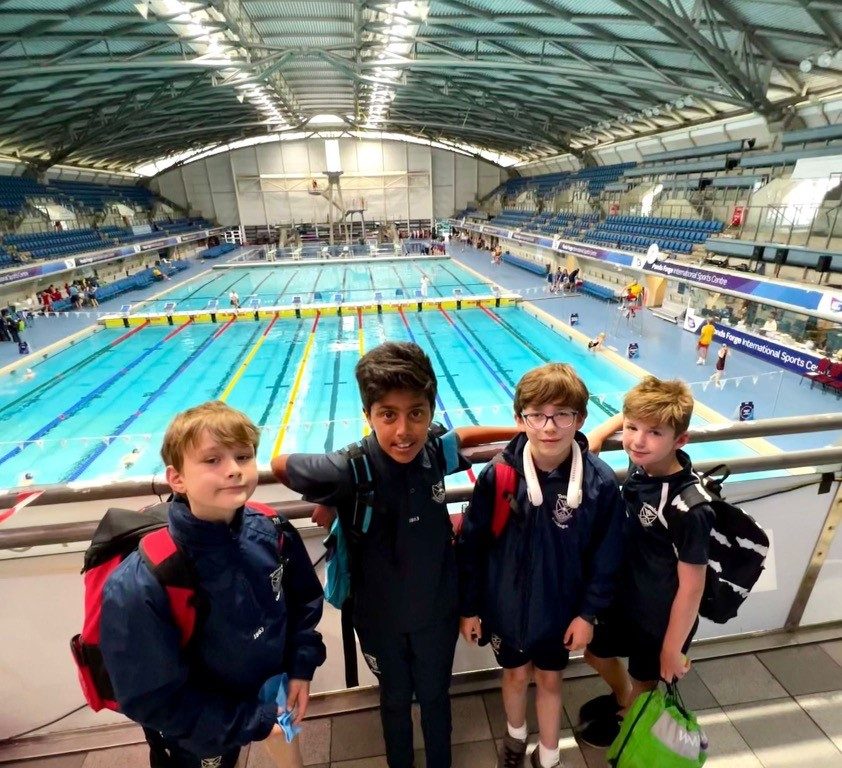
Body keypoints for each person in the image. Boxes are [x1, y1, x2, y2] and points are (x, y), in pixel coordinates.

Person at [271, 342, 518, 768]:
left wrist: (521, 432)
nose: (403, 430)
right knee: (395, 701)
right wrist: (332, 494)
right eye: (388, 415)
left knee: (437, 698)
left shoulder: (431, 452)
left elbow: (462, 437)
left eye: (416, 413)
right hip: (380, 619)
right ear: (368, 415)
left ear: (429, 412)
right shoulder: (350, 467)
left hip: (437, 612)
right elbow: (279, 464)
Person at [99, 401, 326, 768]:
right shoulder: (143, 583)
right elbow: (152, 698)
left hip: (272, 690)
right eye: (212, 460)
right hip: (202, 726)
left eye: (243, 456)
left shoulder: (273, 531)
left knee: (289, 755)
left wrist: (301, 667)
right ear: (177, 479)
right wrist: (254, 721)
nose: (234, 470)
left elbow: (303, 605)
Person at [457, 363, 625, 768]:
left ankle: (549, 756)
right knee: (515, 676)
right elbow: (471, 547)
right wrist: (469, 607)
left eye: (562, 414)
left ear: (580, 419)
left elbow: (607, 558)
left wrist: (587, 614)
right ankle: (515, 743)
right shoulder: (498, 477)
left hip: (561, 612)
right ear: (520, 419)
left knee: (550, 679)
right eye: (537, 415)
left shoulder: (599, 484)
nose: (549, 427)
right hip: (505, 608)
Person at [576, 377, 716, 748]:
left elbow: (692, 587)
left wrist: (672, 647)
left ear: (680, 440)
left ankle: (629, 731)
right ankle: (622, 697)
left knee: (645, 680)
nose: (638, 440)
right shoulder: (643, 467)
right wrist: (615, 425)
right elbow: (588, 446)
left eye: (654, 432)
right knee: (593, 651)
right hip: (623, 598)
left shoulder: (689, 507)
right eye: (632, 428)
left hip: (659, 616)